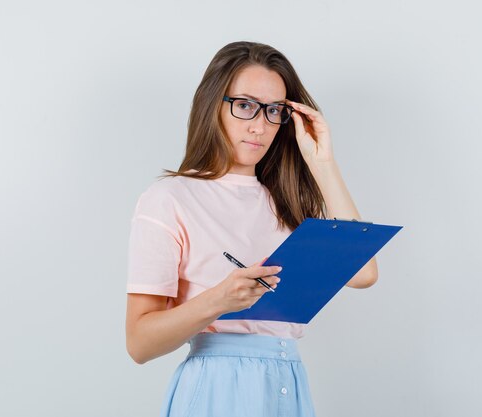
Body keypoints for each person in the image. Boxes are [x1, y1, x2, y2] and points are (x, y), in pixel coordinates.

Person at [125, 40, 378, 417]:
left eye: (274, 110)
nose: (260, 126)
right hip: (216, 388)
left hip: (286, 381)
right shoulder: (170, 198)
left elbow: (364, 273)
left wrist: (322, 162)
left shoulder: (287, 201)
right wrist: (219, 300)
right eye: (245, 106)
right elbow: (139, 343)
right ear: (214, 105)